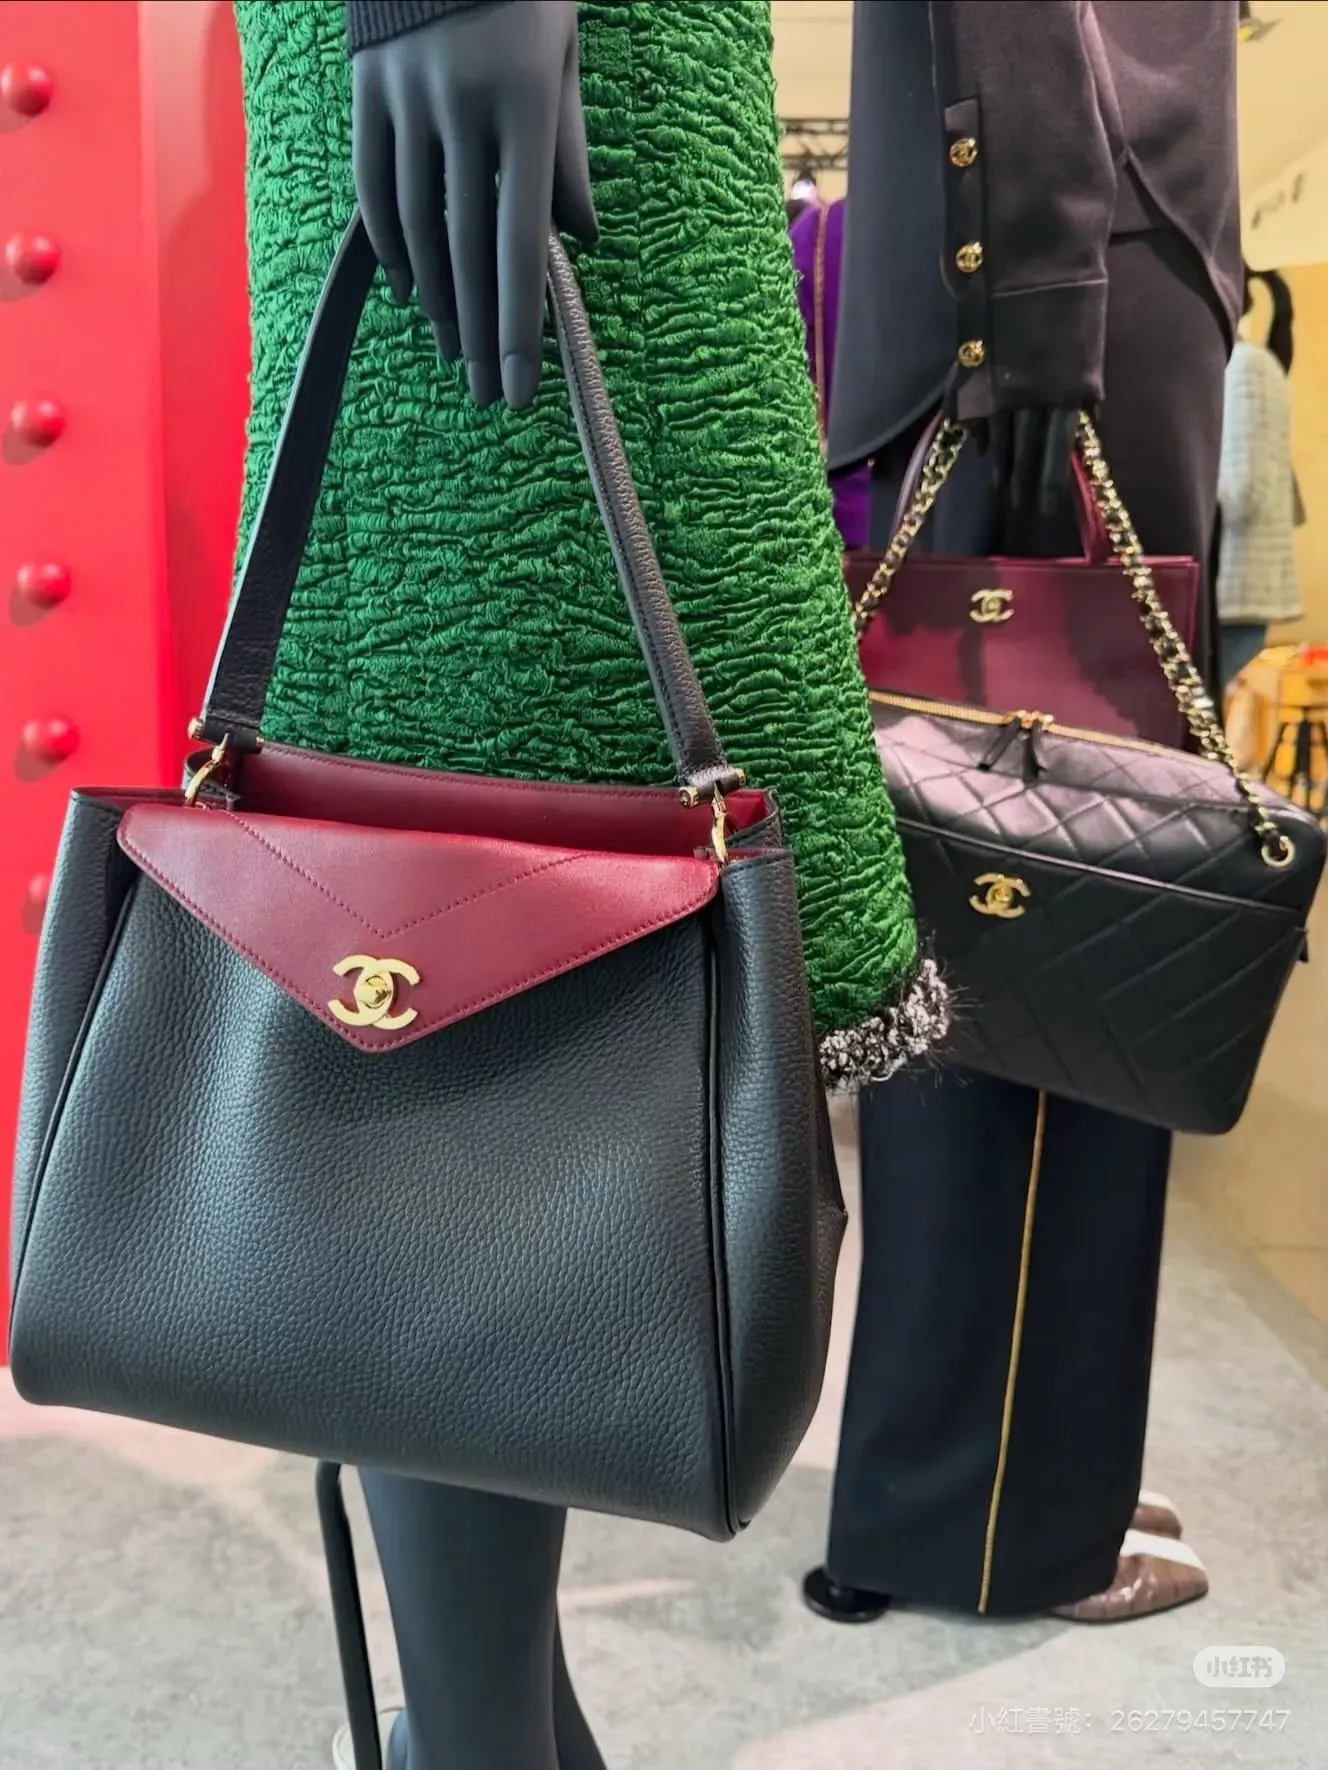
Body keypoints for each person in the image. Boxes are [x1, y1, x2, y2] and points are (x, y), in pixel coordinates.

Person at [232, 3, 943, 1764]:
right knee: (433, 898)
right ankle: (485, 1743)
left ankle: (498, 1730)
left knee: (481, 907)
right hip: (509, 64)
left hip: (603, 92)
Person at [805, 0, 1242, 1628]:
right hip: (1068, 267)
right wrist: (1044, 294)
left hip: (1076, 263)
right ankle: (981, 1519)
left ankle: (1024, 1470)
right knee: (1055, 941)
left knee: (1056, 927)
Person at [1216, 267, 1303, 688]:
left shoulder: (1247, 367)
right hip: (1225, 591)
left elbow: (1243, 491)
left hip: (1234, 593)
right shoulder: (1239, 365)